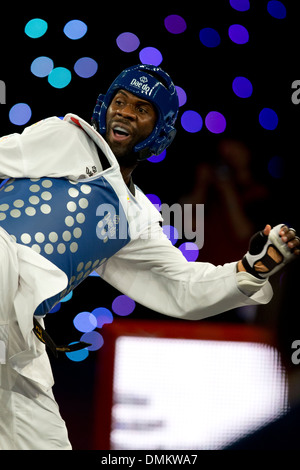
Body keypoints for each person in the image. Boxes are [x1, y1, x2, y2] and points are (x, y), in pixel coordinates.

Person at [0, 64, 299, 450]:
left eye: (141, 108)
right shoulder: (68, 136)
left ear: (160, 131)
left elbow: (180, 288)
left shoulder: (135, 219)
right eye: (119, 101)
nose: (123, 111)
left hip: (19, 332)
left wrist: (250, 269)